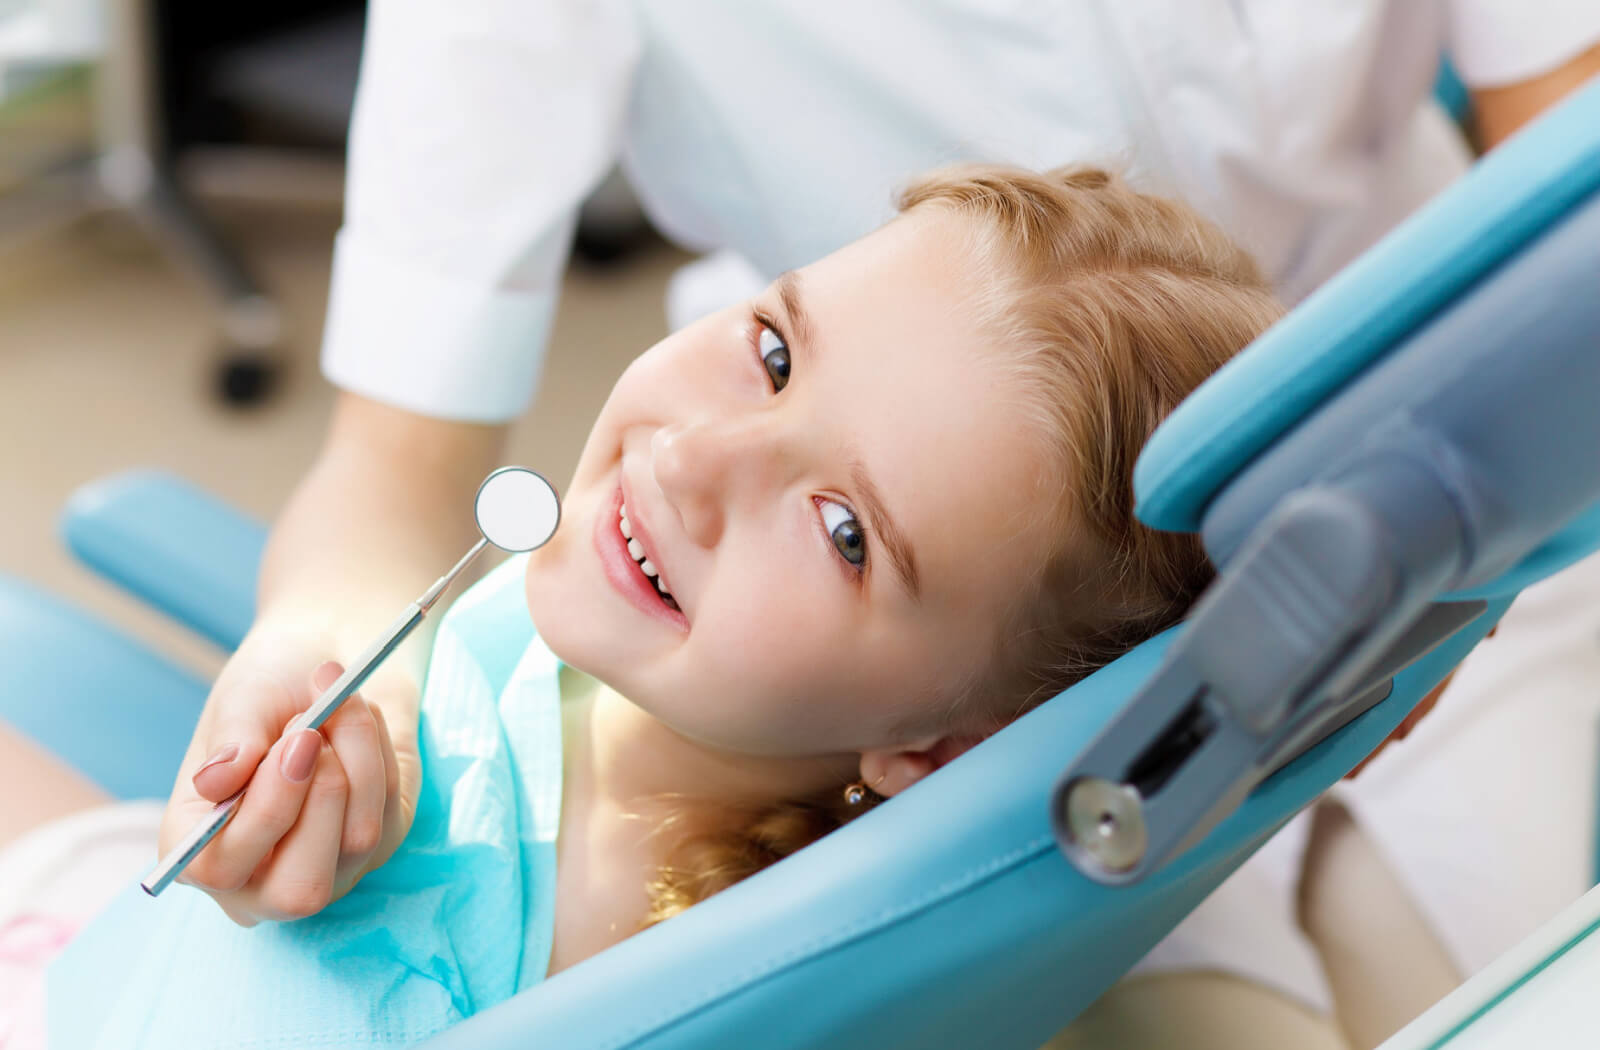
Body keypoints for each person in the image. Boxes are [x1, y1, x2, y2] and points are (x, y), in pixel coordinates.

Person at [9, 164, 1291, 1046]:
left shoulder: (516, 983)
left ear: (937, 749)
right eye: (775, 354)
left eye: (845, 533)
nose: (689, 460)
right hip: (112, 935)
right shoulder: (648, 679)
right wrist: (329, 649)